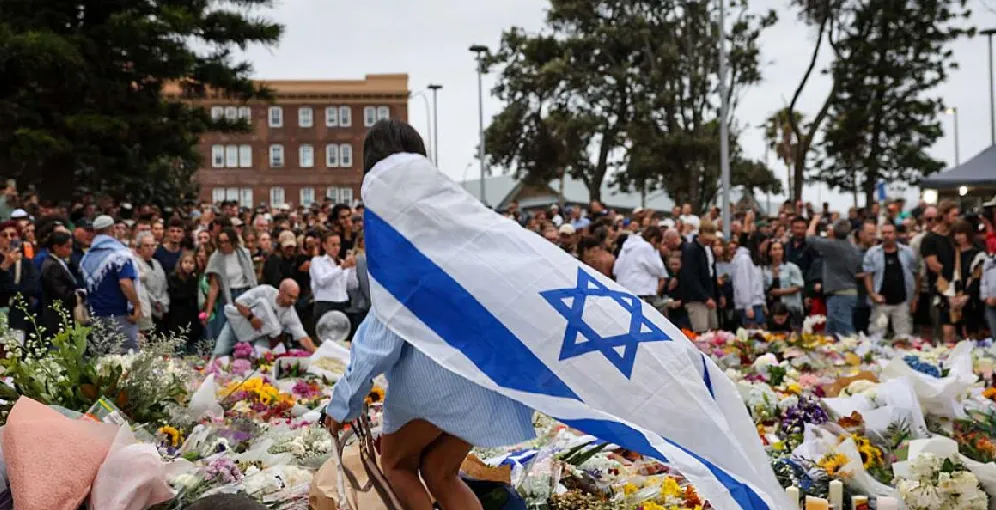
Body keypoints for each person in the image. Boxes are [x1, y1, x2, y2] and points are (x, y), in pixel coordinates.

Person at [325, 119, 535, 510]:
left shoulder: (395, 232)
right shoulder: (461, 215)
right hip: (488, 369)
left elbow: (383, 333)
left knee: (397, 466)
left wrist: (343, 403)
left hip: (436, 376)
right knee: (440, 471)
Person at [80, 215, 142, 351]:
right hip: (119, 316)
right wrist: (137, 305)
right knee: (126, 357)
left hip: (96, 316)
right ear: (113, 229)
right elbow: (125, 282)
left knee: (102, 359)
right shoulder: (119, 253)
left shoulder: (87, 256)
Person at [212, 279, 317, 356]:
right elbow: (239, 302)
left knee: (262, 358)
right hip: (236, 325)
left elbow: (302, 337)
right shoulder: (265, 291)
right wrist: (251, 318)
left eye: (295, 298)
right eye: (290, 296)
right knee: (219, 352)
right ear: (281, 291)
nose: (292, 301)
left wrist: (317, 353)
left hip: (258, 335)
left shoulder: (290, 313)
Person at [806, 215, 863, 336]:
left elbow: (810, 238)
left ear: (834, 232)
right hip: (849, 293)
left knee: (846, 333)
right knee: (831, 334)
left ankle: (857, 348)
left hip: (839, 294)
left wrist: (814, 220)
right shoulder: (854, 248)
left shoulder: (832, 246)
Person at [863, 223, 916, 338]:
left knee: (903, 337)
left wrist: (915, 297)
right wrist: (872, 294)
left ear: (896, 234)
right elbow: (868, 275)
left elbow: (915, 274)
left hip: (902, 301)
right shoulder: (873, 252)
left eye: (889, 233)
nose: (886, 236)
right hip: (881, 302)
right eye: (884, 233)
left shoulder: (908, 252)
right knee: (876, 336)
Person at [202, 227, 257, 339]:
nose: (223, 245)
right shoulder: (216, 258)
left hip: (245, 294)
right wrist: (208, 311)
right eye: (220, 242)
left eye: (226, 241)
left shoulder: (244, 253)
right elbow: (214, 287)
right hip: (227, 297)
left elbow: (251, 276)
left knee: (245, 332)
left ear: (233, 241)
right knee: (222, 331)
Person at [921, 200, 959, 343]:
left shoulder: (954, 236)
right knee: (942, 331)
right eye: (954, 215)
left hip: (957, 288)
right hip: (940, 289)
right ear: (944, 215)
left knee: (954, 331)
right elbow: (934, 266)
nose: (956, 219)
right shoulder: (930, 239)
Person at [310, 231, 358, 324]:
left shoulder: (342, 262)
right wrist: (341, 268)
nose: (336, 248)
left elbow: (352, 285)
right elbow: (321, 281)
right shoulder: (317, 261)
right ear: (324, 245)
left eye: (338, 245)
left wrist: (352, 269)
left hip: (342, 303)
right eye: (333, 245)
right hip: (325, 303)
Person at [679, 220, 719, 332]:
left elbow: (712, 274)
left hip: (709, 296)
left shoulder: (708, 250)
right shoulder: (691, 250)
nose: (709, 241)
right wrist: (705, 298)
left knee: (713, 329)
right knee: (701, 330)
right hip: (696, 299)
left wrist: (717, 295)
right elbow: (690, 277)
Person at [39, 231, 79, 335]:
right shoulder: (52, 266)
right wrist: (79, 296)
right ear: (56, 247)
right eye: (67, 247)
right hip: (57, 317)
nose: (70, 251)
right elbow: (60, 292)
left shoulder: (59, 262)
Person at [613, 226, 667, 302]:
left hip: (623, 289)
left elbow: (615, 271)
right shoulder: (646, 247)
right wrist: (656, 253)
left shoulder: (626, 246)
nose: (658, 248)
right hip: (641, 292)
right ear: (654, 239)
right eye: (658, 244)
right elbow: (659, 270)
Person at [762, 239, 805, 328]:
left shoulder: (792, 267)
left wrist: (780, 292)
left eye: (780, 249)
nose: (778, 251)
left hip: (790, 308)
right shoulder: (765, 269)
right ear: (769, 252)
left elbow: (798, 286)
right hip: (772, 309)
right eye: (774, 249)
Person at [134, 231, 169, 335]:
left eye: (152, 245)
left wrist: (162, 302)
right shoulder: (135, 264)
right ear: (139, 248)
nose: (150, 248)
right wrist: (155, 302)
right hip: (146, 309)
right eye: (146, 245)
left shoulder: (157, 263)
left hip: (161, 308)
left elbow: (164, 285)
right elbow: (141, 288)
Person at [168, 252, 202, 351]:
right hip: (177, 314)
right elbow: (174, 295)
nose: (188, 265)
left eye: (191, 263)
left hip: (192, 315)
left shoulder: (195, 278)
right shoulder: (173, 277)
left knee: (192, 341)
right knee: (179, 342)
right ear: (180, 263)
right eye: (185, 262)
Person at [732, 233, 766, 328]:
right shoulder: (744, 259)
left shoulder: (753, 259)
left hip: (757, 302)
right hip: (750, 305)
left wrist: (763, 302)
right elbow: (742, 284)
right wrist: (748, 306)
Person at [345, 230, 370, 339]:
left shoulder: (358, 257)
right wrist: (370, 301)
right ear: (361, 241)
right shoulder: (361, 258)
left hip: (357, 305)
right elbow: (364, 282)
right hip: (361, 305)